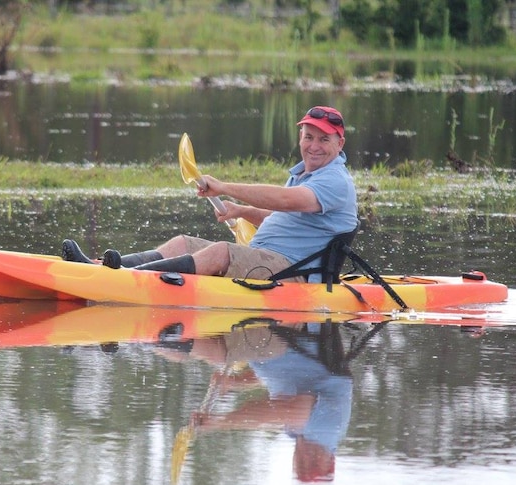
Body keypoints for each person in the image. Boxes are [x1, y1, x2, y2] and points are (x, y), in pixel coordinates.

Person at [62, 105, 358, 283]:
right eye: (309, 137)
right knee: (183, 243)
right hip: (269, 259)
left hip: (294, 274)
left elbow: (287, 200)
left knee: (221, 251)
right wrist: (241, 211)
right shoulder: (305, 174)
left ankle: (124, 280)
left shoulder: (334, 180)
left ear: (339, 143)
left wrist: (226, 187)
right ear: (300, 138)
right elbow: (282, 214)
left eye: (324, 139)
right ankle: (102, 267)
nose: (313, 145)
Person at [158, 321, 354, 482]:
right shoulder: (328, 430)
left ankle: (149, 335)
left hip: (272, 345)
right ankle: (158, 332)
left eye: (301, 467)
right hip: (287, 333)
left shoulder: (298, 434)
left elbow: (283, 378)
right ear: (330, 460)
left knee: (177, 354)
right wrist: (221, 421)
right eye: (314, 465)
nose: (305, 459)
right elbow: (284, 409)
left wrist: (235, 382)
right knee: (216, 352)